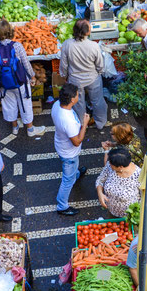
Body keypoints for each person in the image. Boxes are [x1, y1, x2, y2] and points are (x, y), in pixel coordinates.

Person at [0, 20, 46, 137]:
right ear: (10, 31)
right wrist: (32, 77)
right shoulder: (17, 45)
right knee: (25, 104)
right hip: (20, 82)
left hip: (3, 84)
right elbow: (26, 64)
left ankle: (15, 127)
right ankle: (30, 130)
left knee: (9, 105)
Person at [59, 20, 108, 129]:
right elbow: (100, 64)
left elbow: (63, 64)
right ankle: (101, 123)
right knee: (97, 100)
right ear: (87, 32)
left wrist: (64, 75)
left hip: (75, 80)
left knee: (78, 103)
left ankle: (82, 123)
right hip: (92, 78)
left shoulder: (67, 44)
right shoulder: (93, 45)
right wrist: (100, 72)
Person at [51, 83, 91, 216]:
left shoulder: (57, 105)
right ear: (72, 99)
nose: (79, 96)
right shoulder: (67, 120)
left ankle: (76, 174)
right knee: (67, 180)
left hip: (61, 145)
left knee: (73, 169)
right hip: (69, 153)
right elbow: (77, 141)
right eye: (78, 95)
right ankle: (62, 206)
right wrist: (85, 124)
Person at [96, 148, 142, 217]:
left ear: (120, 167)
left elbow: (145, 198)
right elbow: (100, 180)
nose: (109, 164)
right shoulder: (110, 165)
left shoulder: (139, 176)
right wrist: (100, 193)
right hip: (111, 211)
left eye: (111, 164)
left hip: (130, 217)